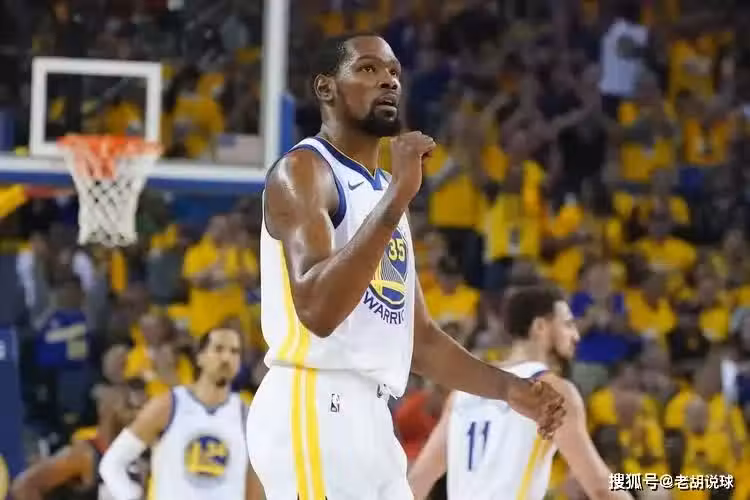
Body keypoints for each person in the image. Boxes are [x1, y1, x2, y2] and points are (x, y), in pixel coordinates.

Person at [247, 32, 565, 500]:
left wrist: (509, 389)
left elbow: (420, 341)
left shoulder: (384, 191)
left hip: (373, 417)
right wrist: (397, 199)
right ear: (325, 88)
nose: (389, 81)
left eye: (394, 71)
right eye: (368, 69)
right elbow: (317, 310)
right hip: (313, 401)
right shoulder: (303, 171)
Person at [407, 285, 633, 500]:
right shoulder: (552, 391)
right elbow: (601, 487)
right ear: (540, 327)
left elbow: (417, 483)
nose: (576, 335)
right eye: (567, 324)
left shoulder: (463, 392)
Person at [99, 328, 264, 500]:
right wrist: (132, 496)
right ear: (200, 357)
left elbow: (253, 485)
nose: (226, 358)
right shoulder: (169, 405)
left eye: (234, 352)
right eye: (219, 349)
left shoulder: (247, 414)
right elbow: (112, 463)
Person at [10, 378, 148, 500]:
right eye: (130, 407)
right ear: (106, 410)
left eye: (142, 409)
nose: (137, 415)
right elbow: (24, 486)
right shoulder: (85, 454)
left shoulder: (141, 454)